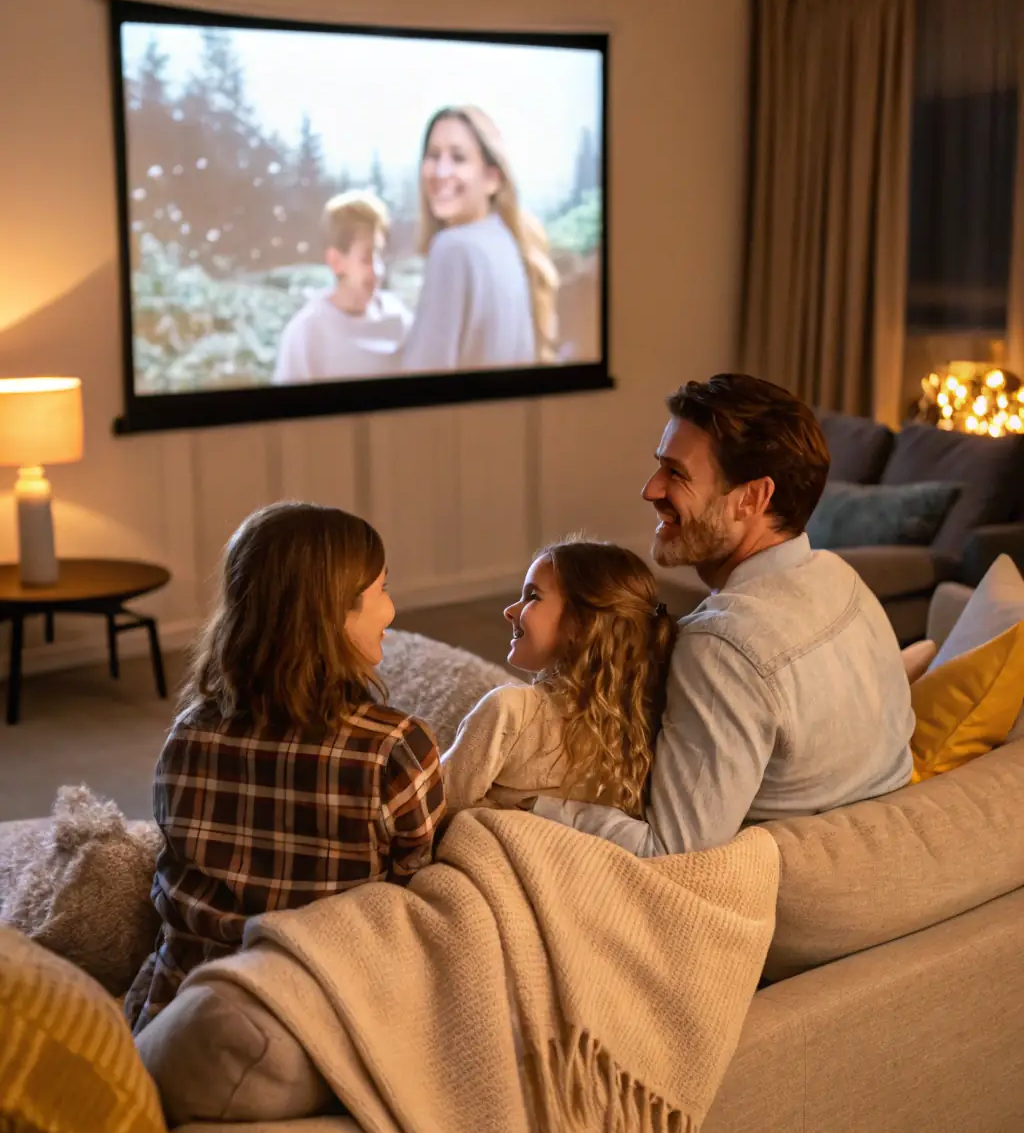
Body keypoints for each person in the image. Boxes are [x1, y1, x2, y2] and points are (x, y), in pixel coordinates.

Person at [534, 374, 916, 856]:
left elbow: (671, 850)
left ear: (753, 498)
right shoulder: (842, 579)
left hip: (800, 896)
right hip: (877, 850)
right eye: (659, 467)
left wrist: (533, 806)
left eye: (677, 474)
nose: (650, 490)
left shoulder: (723, 647)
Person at [124, 502, 445, 1033]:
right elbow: (418, 902)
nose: (391, 610)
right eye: (382, 590)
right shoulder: (396, 747)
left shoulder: (187, 737)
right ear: (335, 613)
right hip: (325, 1023)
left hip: (180, 1018)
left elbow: (173, 874)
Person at [442, 539, 676, 817]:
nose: (509, 610)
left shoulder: (510, 711)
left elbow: (438, 805)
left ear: (581, 624)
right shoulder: (641, 734)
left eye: (532, 597)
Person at [401, 105, 559, 373]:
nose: (441, 172)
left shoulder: (452, 249)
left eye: (458, 158)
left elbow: (420, 384)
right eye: (433, 155)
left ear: (492, 178)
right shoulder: (508, 242)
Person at [272, 191, 412, 384]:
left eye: (379, 254)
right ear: (336, 261)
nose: (379, 270)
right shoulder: (306, 334)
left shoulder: (400, 319)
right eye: (366, 258)